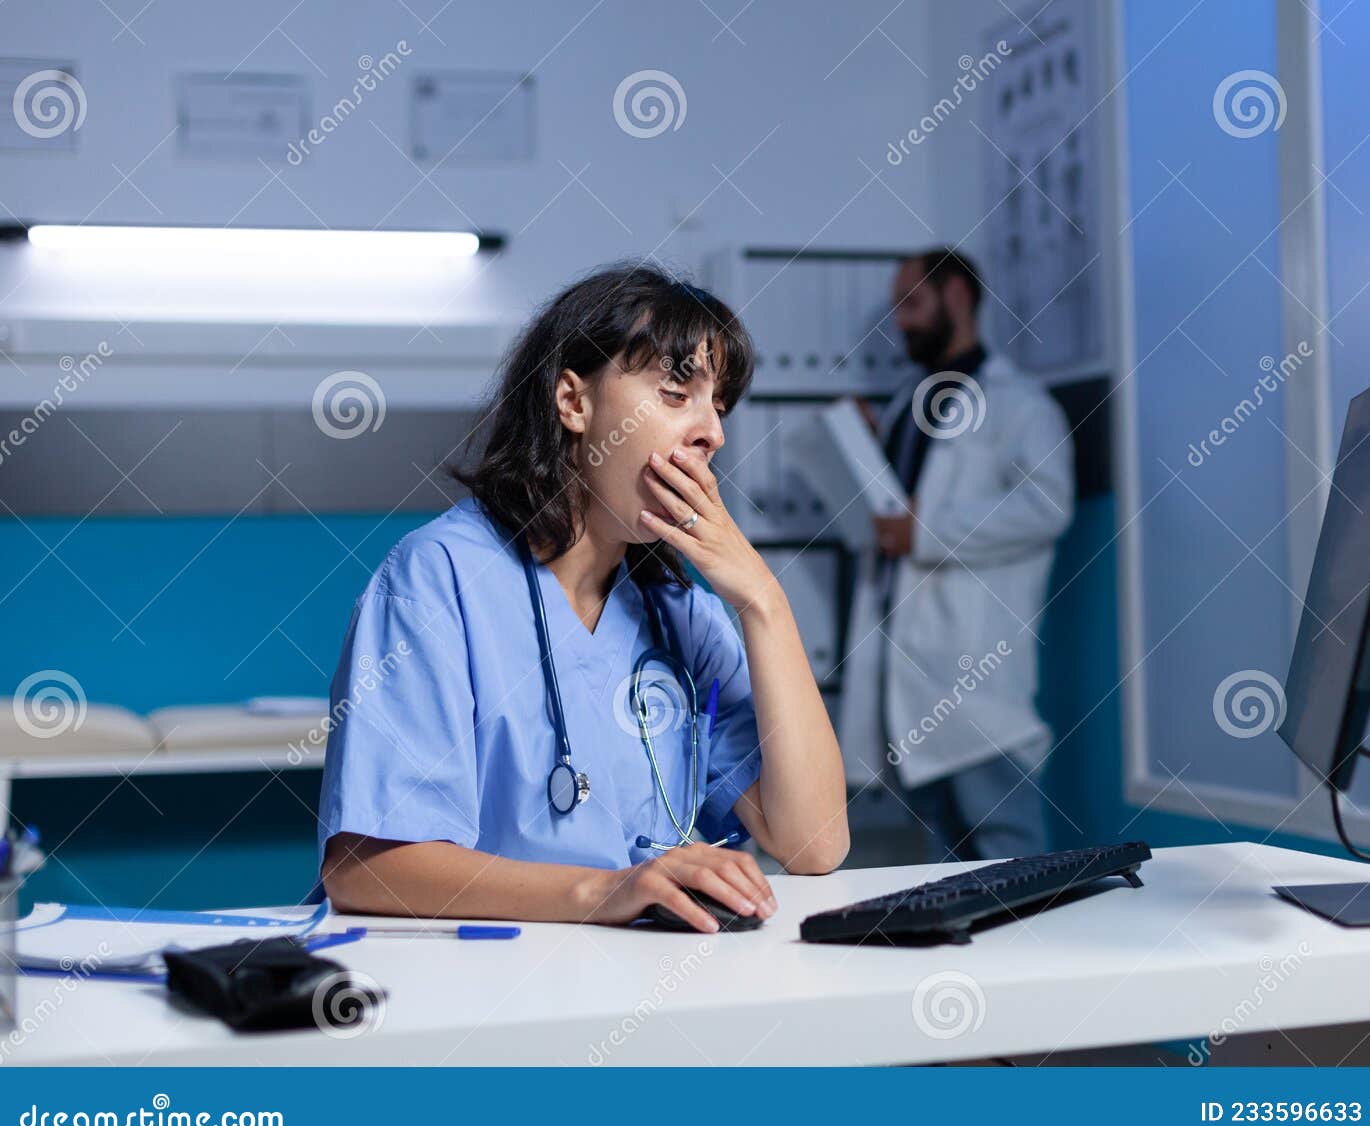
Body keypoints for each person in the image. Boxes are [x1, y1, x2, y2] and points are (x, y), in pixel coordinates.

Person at [317, 262, 849, 934]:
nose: (712, 430)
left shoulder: (681, 612)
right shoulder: (440, 578)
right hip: (494, 999)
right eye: (676, 390)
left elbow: (815, 842)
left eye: (719, 404)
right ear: (573, 401)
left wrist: (764, 601)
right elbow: (367, 867)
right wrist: (606, 891)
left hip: (660, 987)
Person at [839, 247, 1074, 862]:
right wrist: (865, 449)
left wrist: (926, 533)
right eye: (896, 308)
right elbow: (892, 511)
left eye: (913, 304)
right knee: (947, 866)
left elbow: (1047, 506)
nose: (903, 322)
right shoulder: (904, 407)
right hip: (911, 677)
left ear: (958, 297)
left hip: (978, 679)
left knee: (1010, 854)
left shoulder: (1020, 405)